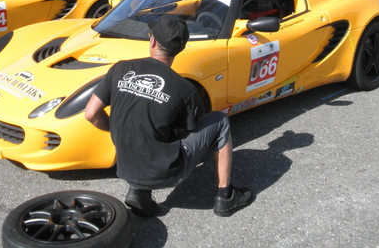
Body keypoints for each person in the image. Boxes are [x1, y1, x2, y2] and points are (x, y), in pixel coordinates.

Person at [85, 14, 253, 218]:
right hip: (166, 173)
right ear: (180, 49)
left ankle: (139, 191)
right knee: (220, 121)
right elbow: (183, 133)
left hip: (124, 168)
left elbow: (91, 113)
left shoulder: (120, 68)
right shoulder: (185, 89)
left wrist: (118, 128)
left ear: (153, 41)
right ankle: (225, 197)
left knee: (143, 121)